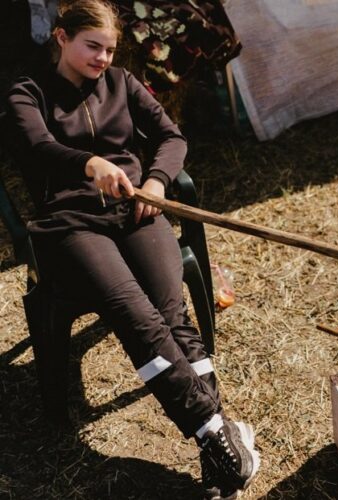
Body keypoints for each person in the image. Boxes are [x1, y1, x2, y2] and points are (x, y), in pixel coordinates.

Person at [1, 1, 259, 498]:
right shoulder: (26, 91)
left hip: (135, 211)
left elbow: (169, 135)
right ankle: (214, 431)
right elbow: (35, 147)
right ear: (61, 37)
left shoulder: (122, 83)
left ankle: (216, 437)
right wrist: (87, 164)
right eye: (91, 46)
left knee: (170, 312)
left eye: (110, 49)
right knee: (133, 314)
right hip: (71, 224)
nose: (102, 58)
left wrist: (158, 182)